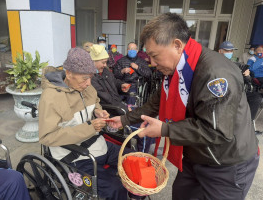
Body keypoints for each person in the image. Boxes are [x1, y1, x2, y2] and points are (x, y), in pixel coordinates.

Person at [108, 13, 259, 200]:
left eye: (155, 56)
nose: (152, 64)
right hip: (195, 155)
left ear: (177, 45)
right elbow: (156, 102)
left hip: (226, 163)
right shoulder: (177, 69)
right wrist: (123, 119)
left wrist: (164, 129)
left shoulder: (214, 73)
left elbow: (216, 131)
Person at [38, 47, 131, 200]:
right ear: (68, 73)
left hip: (98, 145)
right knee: (115, 188)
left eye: (90, 77)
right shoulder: (51, 98)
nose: (89, 83)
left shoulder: (86, 87)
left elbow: (95, 102)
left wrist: (98, 111)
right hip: (75, 156)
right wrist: (90, 127)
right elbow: (47, 137)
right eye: (84, 79)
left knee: (135, 159)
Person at [219, 41, 262, 122]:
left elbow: (247, 79)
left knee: (256, 97)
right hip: (224, 90)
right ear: (220, 51)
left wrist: (247, 76)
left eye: (231, 51)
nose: (229, 53)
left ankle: (249, 123)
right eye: (227, 51)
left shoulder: (233, 63)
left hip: (237, 89)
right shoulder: (215, 62)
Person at [90, 44, 131, 112]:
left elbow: (114, 81)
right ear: (93, 61)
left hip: (116, 105)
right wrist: (124, 108)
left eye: (106, 62)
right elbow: (105, 98)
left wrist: (121, 85)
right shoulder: (91, 78)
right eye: (103, 62)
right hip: (107, 110)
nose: (105, 65)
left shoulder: (105, 71)